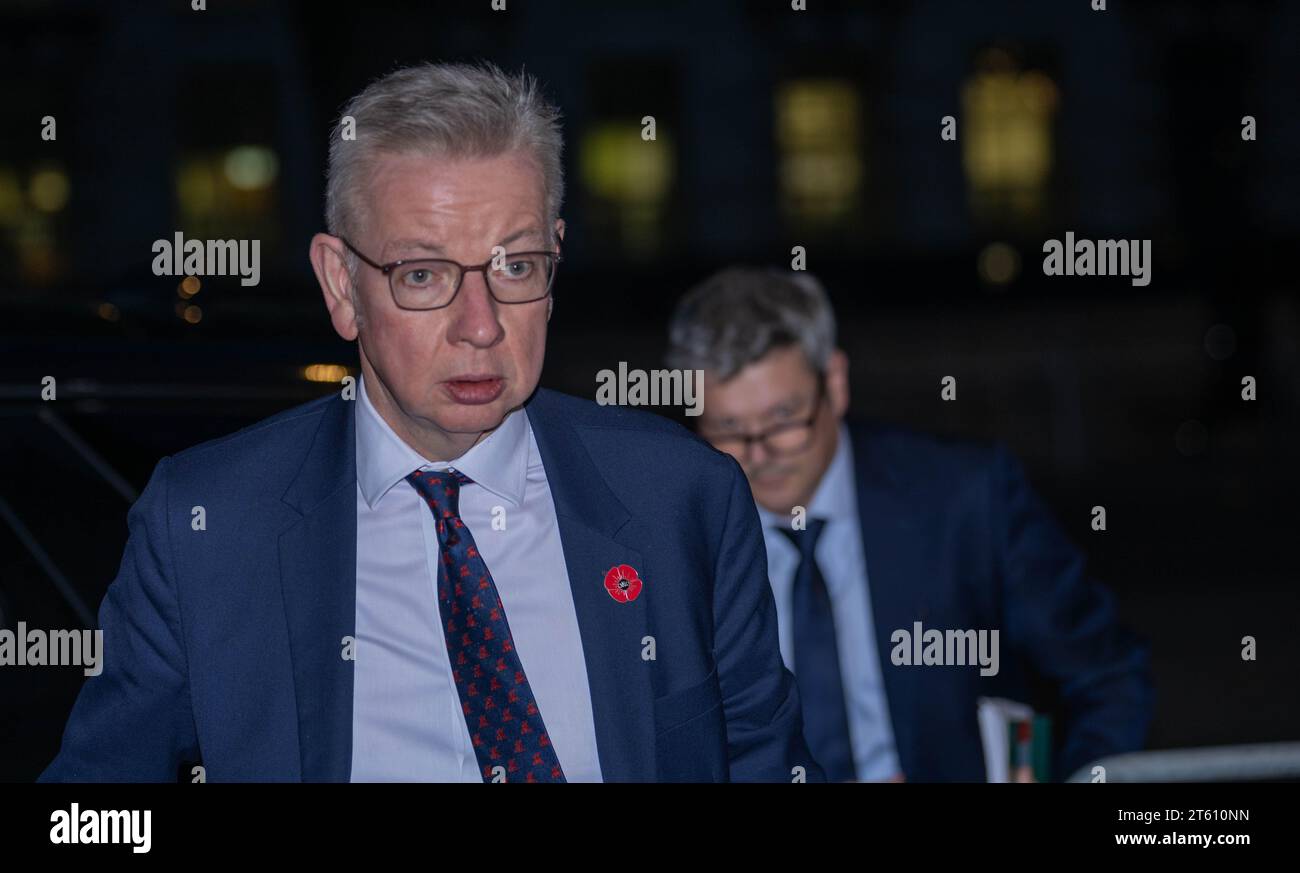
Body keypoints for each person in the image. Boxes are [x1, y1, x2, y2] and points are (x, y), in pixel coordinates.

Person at [39, 64, 820, 783]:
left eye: (514, 266)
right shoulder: (208, 525)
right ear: (341, 286)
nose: (480, 325)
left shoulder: (683, 497)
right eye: (423, 275)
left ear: (555, 261)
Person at [666, 266, 1153, 782]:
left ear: (835, 383)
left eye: (785, 419)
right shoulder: (673, 537)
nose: (760, 454)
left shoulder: (966, 497)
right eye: (728, 430)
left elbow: (1108, 676)